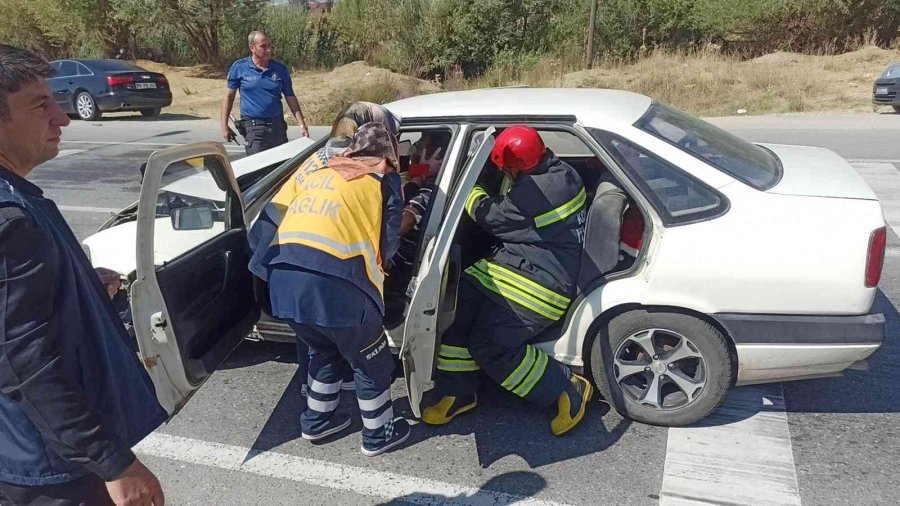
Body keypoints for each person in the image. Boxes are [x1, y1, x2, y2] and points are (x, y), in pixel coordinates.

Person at [0, 44, 167, 505]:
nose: (63, 117)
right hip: (50, 466)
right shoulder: (10, 219)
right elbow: (22, 363)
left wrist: (76, 288)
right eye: (41, 104)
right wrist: (113, 462)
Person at [247, 103, 409, 457]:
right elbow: (390, 241)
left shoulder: (312, 166)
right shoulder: (382, 174)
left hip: (283, 278)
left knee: (322, 347)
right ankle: (379, 433)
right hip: (337, 281)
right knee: (371, 357)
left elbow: (265, 222)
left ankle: (317, 422)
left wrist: (257, 279)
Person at [421, 125, 592, 436]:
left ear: (516, 168)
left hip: (541, 285)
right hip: (521, 265)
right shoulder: (558, 171)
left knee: (491, 346)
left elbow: (488, 215)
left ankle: (565, 387)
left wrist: (466, 183)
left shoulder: (534, 192)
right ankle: (459, 392)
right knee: (456, 309)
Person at [220, 30, 309, 155]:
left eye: (269, 45)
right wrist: (224, 126)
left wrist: (302, 124)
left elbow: (290, 97)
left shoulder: (280, 69)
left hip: (277, 127)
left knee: (281, 170)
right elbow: (229, 97)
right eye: (263, 46)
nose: (268, 50)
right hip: (254, 128)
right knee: (258, 170)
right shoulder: (239, 68)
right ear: (252, 48)